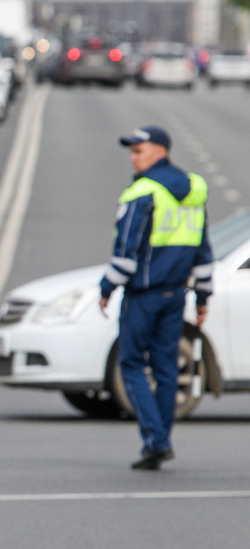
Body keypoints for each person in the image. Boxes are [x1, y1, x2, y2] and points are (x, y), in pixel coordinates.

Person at [98, 125, 213, 471]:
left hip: (144, 296)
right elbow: (203, 251)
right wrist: (203, 297)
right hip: (175, 294)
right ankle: (159, 441)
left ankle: (157, 440)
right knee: (165, 369)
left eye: (139, 151)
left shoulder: (142, 192)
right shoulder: (193, 192)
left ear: (160, 151)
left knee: (132, 364)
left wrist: (106, 288)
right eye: (132, 152)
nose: (133, 158)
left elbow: (125, 253)